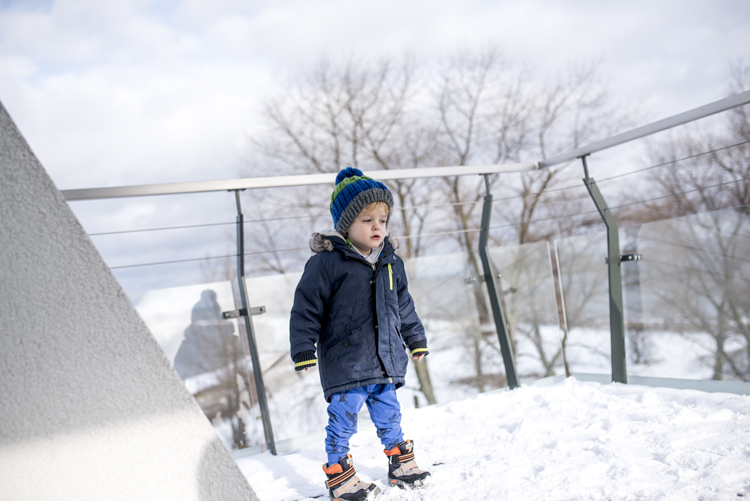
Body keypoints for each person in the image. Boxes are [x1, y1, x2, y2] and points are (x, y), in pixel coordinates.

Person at [290, 167, 431, 501]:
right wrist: (303, 349)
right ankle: (339, 475)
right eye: (367, 220)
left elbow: (403, 306)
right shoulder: (326, 264)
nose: (377, 226)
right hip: (346, 362)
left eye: (382, 220)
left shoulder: (392, 262)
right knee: (343, 421)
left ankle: (400, 464)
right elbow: (306, 308)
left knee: (390, 414)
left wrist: (415, 339)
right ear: (346, 225)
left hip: (385, 360)